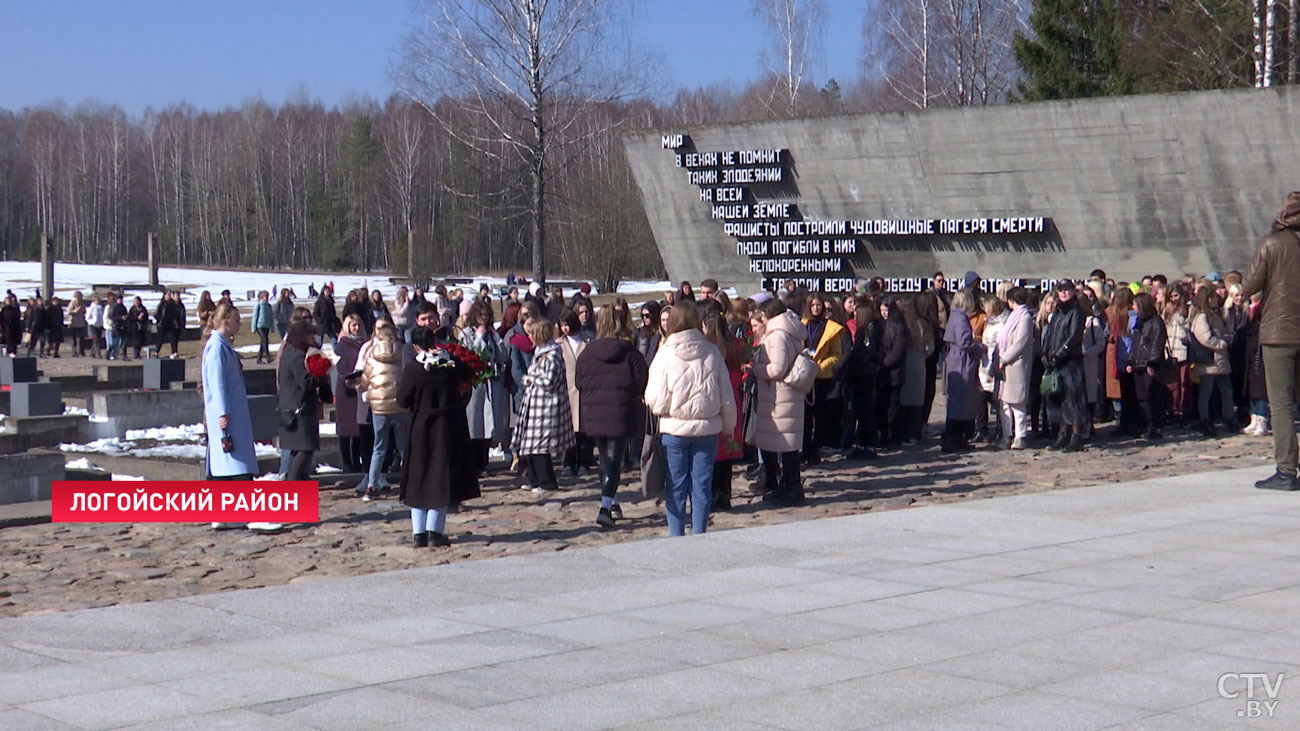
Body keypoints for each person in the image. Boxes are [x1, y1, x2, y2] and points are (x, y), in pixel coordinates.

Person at [645, 302, 735, 536]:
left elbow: (655, 399)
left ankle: (676, 536)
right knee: (702, 486)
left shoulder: (664, 354)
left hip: (674, 431)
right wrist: (729, 426)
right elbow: (726, 395)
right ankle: (699, 534)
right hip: (707, 430)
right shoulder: (713, 352)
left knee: (676, 486)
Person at [399, 327, 480, 547]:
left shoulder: (414, 369)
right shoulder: (450, 365)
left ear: (416, 346)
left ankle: (419, 533)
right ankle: (434, 530)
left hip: (420, 427)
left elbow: (402, 399)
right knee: (440, 477)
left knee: (419, 479)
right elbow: (469, 376)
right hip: (446, 426)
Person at [203, 303, 282, 532]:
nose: (239, 325)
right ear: (226, 321)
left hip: (229, 414)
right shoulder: (217, 347)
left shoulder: (219, 345)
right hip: (228, 416)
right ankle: (250, 515)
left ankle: (223, 515)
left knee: (224, 468)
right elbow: (217, 384)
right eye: (236, 321)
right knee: (238, 466)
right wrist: (222, 413)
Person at [1243, 191, 1300, 489]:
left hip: (1279, 332)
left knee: (1279, 403)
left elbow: (1249, 284)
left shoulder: (1271, 244)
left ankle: (1287, 470)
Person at [576, 306, 649, 528]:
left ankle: (612, 501)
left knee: (605, 460)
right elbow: (641, 380)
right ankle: (605, 506)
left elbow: (579, 382)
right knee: (614, 461)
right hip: (621, 411)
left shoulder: (586, 353)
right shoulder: (629, 352)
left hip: (595, 412)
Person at [747, 298, 806, 507]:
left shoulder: (778, 336)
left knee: (786, 444)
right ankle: (784, 484)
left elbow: (777, 369)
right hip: (780, 396)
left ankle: (792, 487)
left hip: (780, 397)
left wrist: (757, 369)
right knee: (781, 442)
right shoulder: (786, 332)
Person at [515, 318, 576, 494]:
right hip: (535, 406)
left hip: (546, 408)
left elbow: (550, 380)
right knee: (530, 445)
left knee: (539, 446)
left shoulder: (553, 354)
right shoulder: (541, 352)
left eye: (532, 335)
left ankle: (547, 482)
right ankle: (534, 480)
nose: (530, 338)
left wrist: (530, 378)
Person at [353, 319, 408, 500]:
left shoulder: (371, 355)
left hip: (378, 407)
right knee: (403, 447)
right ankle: (410, 481)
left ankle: (372, 484)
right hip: (399, 405)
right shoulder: (403, 353)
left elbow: (365, 381)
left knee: (379, 447)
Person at [461, 299, 510, 477]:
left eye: (487, 315)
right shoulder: (467, 334)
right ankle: (473, 463)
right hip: (475, 383)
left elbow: (503, 356)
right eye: (481, 315)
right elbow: (469, 354)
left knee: (490, 423)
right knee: (475, 423)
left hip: (492, 381)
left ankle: (483, 463)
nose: (484, 318)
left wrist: (496, 339)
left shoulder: (492, 334)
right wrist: (480, 337)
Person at [278, 317, 330, 482]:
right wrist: (322, 376)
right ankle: (293, 483)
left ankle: (297, 481)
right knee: (305, 448)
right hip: (299, 409)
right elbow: (305, 382)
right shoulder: (297, 356)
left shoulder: (290, 352)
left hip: (292, 407)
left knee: (297, 449)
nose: (313, 340)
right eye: (310, 337)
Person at [702, 309, 744, 510]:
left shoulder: (708, 349)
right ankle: (724, 494)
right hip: (732, 400)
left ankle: (712, 494)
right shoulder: (735, 346)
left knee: (712, 451)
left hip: (714, 400)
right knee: (726, 452)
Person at [800, 294, 846, 463]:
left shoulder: (832, 328)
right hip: (804, 376)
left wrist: (821, 366)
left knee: (820, 416)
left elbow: (836, 354)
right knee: (804, 416)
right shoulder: (802, 326)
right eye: (813, 305)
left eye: (819, 305)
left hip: (821, 376)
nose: (816, 309)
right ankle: (804, 448)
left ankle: (814, 449)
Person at [1189, 286, 1239, 437]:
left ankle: (1229, 416)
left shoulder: (1214, 315)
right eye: (1213, 297)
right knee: (1206, 392)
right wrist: (1221, 344)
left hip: (1220, 361)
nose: (1217, 300)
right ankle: (1204, 419)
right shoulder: (1202, 317)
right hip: (1210, 361)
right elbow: (1204, 337)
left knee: (1227, 391)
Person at [942, 288, 983, 453]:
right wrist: (980, 347)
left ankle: (958, 438)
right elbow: (965, 342)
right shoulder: (960, 319)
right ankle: (952, 438)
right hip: (961, 361)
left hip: (957, 359)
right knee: (960, 403)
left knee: (960, 403)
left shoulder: (955, 316)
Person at [557, 307, 594, 476]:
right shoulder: (559, 345)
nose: (565, 328)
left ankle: (585, 462)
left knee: (585, 430)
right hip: (567, 392)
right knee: (568, 430)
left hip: (586, 392)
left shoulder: (587, 342)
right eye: (562, 325)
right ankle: (568, 463)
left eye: (567, 324)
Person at [997, 287, 1036, 449]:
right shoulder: (1012, 316)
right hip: (1006, 366)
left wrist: (1004, 358)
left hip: (1016, 365)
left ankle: (1020, 435)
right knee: (1004, 402)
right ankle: (1007, 434)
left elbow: (1020, 342)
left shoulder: (1025, 318)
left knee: (1017, 402)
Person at [1128, 292, 1168, 441]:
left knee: (1153, 397)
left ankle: (1154, 426)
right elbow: (1136, 343)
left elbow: (1157, 344)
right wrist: (1131, 361)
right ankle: (1146, 424)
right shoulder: (1140, 322)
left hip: (1149, 366)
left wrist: (1152, 363)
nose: (1133, 308)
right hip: (1138, 365)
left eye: (1135, 305)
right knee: (1142, 397)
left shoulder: (1156, 322)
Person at [334, 314, 368, 473]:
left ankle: (357, 458)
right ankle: (346, 460)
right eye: (353, 325)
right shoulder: (341, 345)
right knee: (346, 427)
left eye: (359, 325)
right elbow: (340, 367)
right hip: (346, 389)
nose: (356, 328)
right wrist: (351, 377)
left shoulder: (366, 343)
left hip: (361, 388)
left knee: (358, 426)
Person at [252, 290, 274, 364]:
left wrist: (272, 327)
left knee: (263, 342)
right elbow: (255, 316)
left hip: (266, 326)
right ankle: (268, 357)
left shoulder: (269, 306)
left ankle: (259, 359)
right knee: (265, 339)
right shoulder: (258, 305)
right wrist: (253, 328)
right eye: (265, 296)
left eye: (267, 296)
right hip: (260, 326)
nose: (267, 298)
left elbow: (271, 317)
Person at [105, 292, 128, 361]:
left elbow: (126, 314)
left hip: (122, 326)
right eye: (119, 299)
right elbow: (110, 316)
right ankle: (109, 353)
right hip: (115, 326)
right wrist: (120, 318)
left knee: (123, 342)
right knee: (114, 342)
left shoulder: (123, 307)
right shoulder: (113, 307)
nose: (120, 301)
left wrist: (125, 318)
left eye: (121, 299)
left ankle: (123, 356)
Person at [67, 292, 86, 357]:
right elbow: (69, 311)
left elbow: (85, 311)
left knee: (81, 339)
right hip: (74, 323)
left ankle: (81, 351)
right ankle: (74, 352)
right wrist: (76, 310)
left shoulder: (82, 303)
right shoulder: (72, 302)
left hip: (81, 323)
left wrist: (83, 310)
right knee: (74, 339)